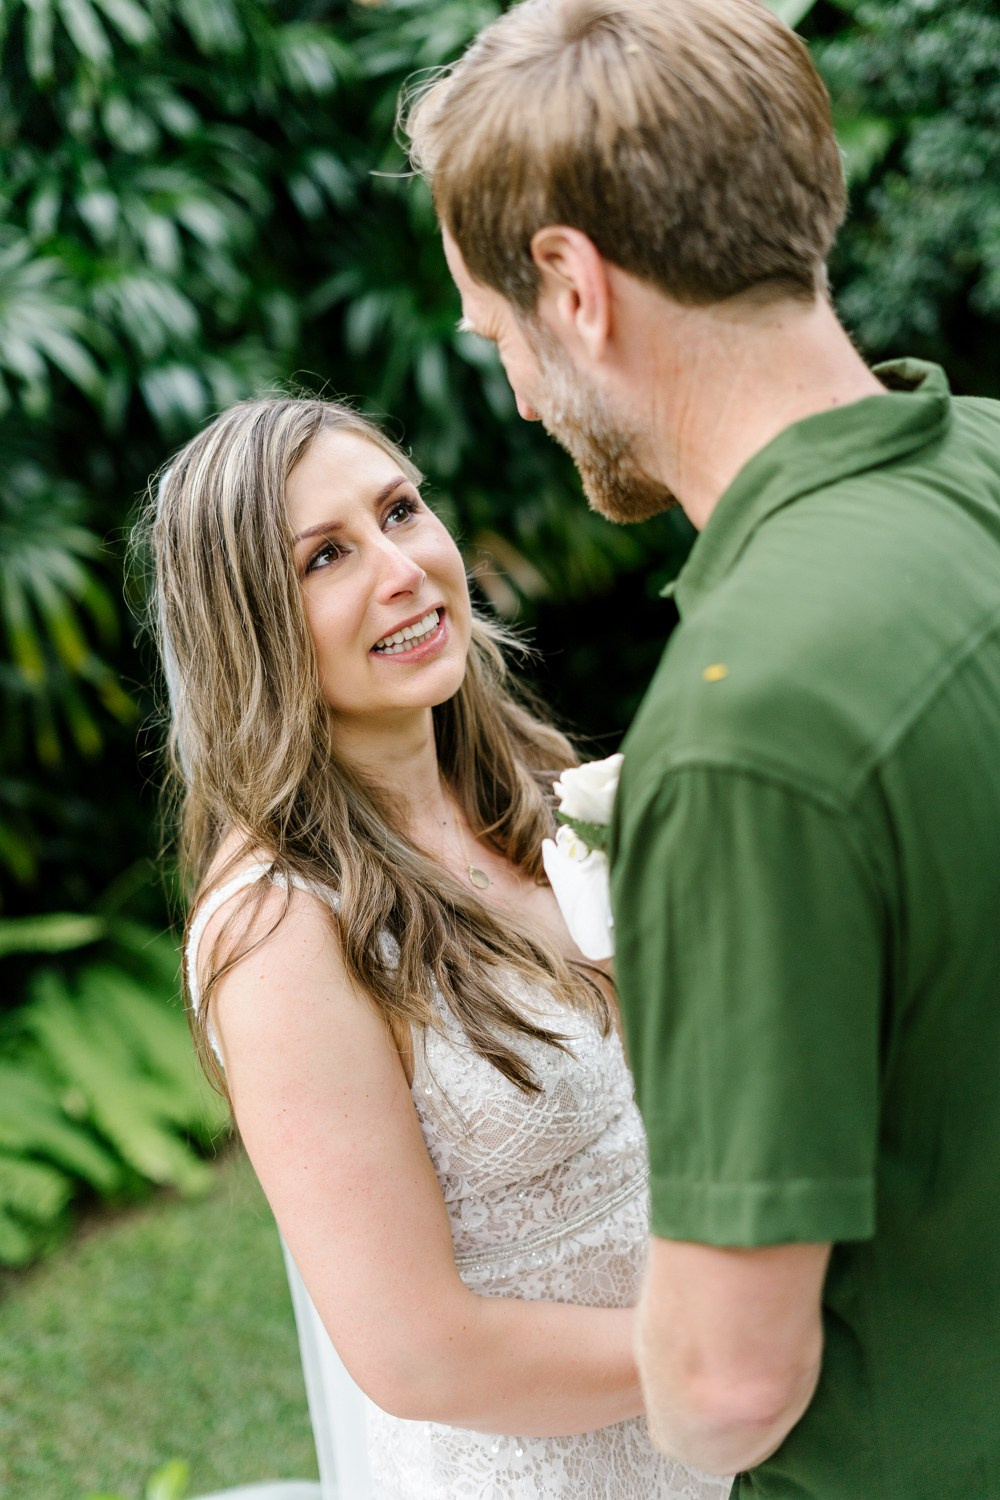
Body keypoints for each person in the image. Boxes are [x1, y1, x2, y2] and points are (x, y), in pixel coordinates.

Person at [404, 0, 1000, 1496]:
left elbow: (731, 1385)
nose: (525, 396)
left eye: (501, 341)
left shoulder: (743, 731)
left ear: (573, 285)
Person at [145, 394, 732, 1500]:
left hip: (726, 1438)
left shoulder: (528, 783)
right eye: (325, 556)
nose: (403, 566)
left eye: (400, 510)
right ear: (249, 627)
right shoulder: (280, 931)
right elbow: (418, 1352)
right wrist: (733, 1347)